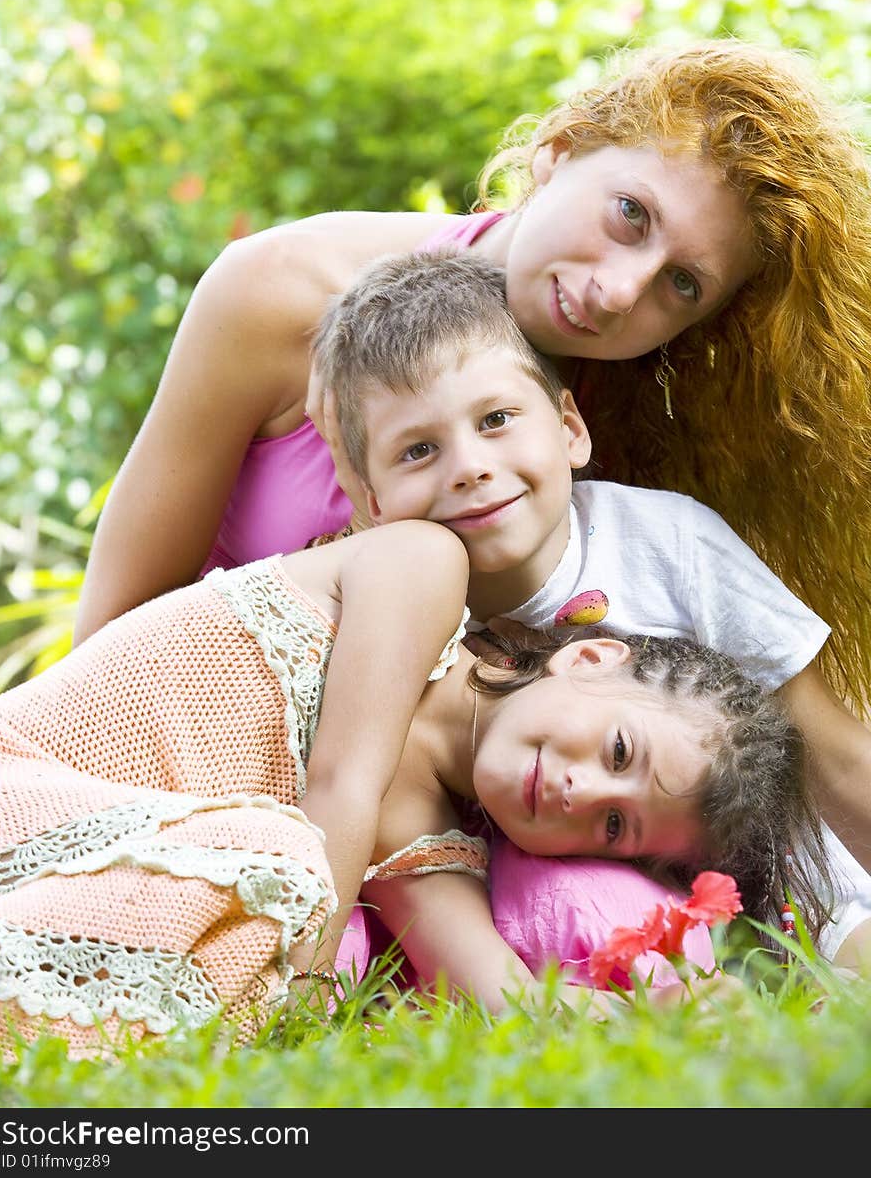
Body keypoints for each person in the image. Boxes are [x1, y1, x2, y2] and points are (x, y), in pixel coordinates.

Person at [72, 40, 871, 732]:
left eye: (684, 285)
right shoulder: (280, 293)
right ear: (559, 150)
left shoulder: (638, 433)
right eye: (630, 213)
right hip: (208, 740)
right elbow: (107, 637)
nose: (622, 291)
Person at [0, 518, 831, 1059]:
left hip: (107, 861)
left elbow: (496, 988)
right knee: (286, 865)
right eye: (617, 750)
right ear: (587, 656)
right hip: (22, 781)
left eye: (615, 827)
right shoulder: (424, 567)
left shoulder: (424, 831)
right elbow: (341, 780)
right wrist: (306, 997)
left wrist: (665, 1016)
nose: (578, 792)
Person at [309, 247, 871, 971]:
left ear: (570, 428)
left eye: (498, 418)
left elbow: (838, 755)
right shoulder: (396, 607)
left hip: (815, 881)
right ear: (372, 500)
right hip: (597, 894)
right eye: (418, 451)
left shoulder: (669, 543)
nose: (470, 467)